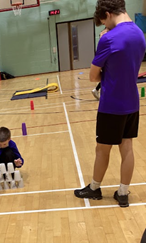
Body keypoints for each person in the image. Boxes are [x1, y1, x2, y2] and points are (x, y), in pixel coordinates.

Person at [74, 0, 146, 207]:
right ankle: (123, 193)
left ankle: (95, 188)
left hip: (112, 104)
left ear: (107, 14)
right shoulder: (140, 34)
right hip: (132, 101)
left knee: (102, 149)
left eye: (104, 22)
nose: (105, 26)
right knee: (127, 147)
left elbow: (93, 76)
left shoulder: (109, 39)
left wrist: (103, 40)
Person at [91, 27, 109, 100]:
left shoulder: (105, 33)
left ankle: (97, 89)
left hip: (102, 54)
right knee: (107, 75)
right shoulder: (105, 33)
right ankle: (97, 90)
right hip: (103, 54)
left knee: (107, 76)